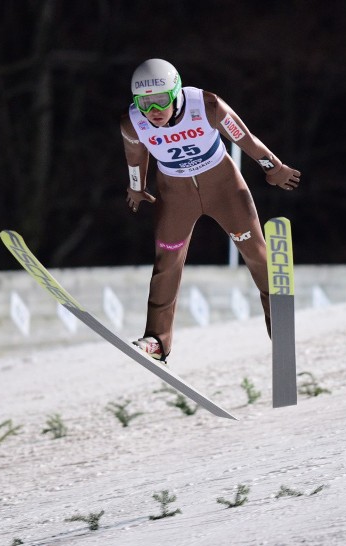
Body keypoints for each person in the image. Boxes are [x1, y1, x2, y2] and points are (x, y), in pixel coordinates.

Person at [121, 58, 301, 362]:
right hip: (175, 193)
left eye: (161, 100)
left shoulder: (206, 105)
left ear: (176, 92)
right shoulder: (132, 123)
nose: (153, 111)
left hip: (223, 187)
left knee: (255, 252)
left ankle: (280, 325)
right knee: (167, 261)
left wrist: (273, 166)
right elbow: (135, 157)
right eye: (145, 103)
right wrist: (136, 188)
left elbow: (244, 138)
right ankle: (156, 340)